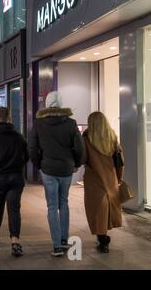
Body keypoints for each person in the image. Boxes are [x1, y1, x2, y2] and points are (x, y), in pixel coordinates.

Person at [28, 91, 84, 257]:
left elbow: (31, 148)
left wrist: (39, 164)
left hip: (48, 169)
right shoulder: (71, 123)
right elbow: (80, 147)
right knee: (63, 202)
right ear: (61, 104)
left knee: (52, 205)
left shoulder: (39, 124)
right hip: (66, 168)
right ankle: (65, 239)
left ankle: (57, 246)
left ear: (47, 104)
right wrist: (76, 163)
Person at [0, 107, 29, 257]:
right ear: (9, 118)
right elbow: (26, 156)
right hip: (16, 177)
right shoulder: (18, 137)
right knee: (14, 209)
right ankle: (15, 242)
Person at [83, 112, 124, 253]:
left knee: (97, 210)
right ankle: (103, 237)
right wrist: (119, 178)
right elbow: (120, 161)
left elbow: (83, 158)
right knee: (107, 209)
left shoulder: (87, 137)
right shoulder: (112, 137)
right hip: (110, 178)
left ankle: (102, 239)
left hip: (93, 179)